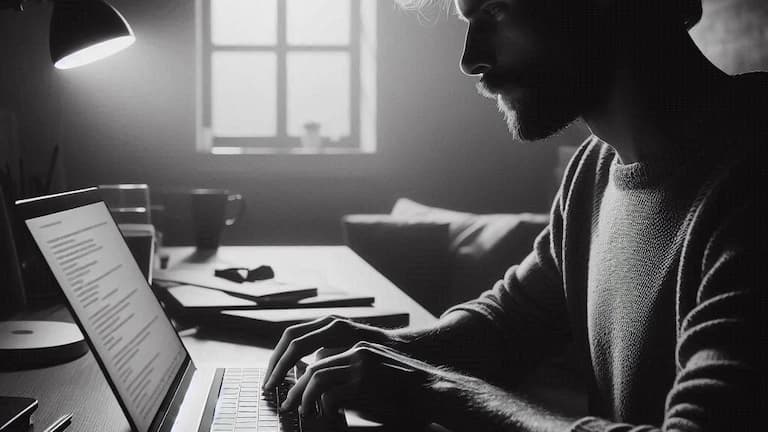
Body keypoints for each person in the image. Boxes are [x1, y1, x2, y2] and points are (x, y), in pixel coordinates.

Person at [263, 0, 767, 430]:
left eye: (496, 11)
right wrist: (390, 348)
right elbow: (508, 326)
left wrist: (435, 387)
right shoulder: (594, 168)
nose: (470, 59)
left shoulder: (750, 179)